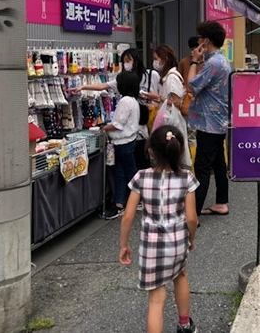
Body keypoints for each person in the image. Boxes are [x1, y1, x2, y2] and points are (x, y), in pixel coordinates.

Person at [119, 125, 199, 333]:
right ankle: (184, 324)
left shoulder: (141, 177)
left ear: (150, 151)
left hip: (151, 248)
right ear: (179, 150)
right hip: (178, 242)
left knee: (156, 300)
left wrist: (124, 245)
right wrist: (191, 238)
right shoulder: (186, 178)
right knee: (180, 275)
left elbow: (128, 216)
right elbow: (191, 217)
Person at [72, 48, 160, 171]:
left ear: (136, 61)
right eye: (124, 61)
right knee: (131, 166)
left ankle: (138, 186)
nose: (126, 64)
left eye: (128, 60)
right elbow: (103, 86)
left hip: (147, 121)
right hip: (133, 128)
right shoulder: (123, 80)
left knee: (137, 163)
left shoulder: (152, 75)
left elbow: (160, 96)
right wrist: (83, 86)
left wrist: (154, 105)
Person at [187, 21, 231, 217]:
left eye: (199, 39)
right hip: (219, 120)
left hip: (210, 123)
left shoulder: (212, 63)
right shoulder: (221, 60)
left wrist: (194, 61)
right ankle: (221, 201)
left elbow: (191, 86)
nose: (197, 43)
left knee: (202, 167)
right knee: (218, 163)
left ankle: (193, 213)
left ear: (205, 41)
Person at [102, 71, 140, 219]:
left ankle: (142, 198)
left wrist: (104, 127)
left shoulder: (125, 101)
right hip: (128, 141)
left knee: (129, 172)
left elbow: (117, 124)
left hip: (123, 142)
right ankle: (119, 203)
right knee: (122, 172)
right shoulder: (133, 100)